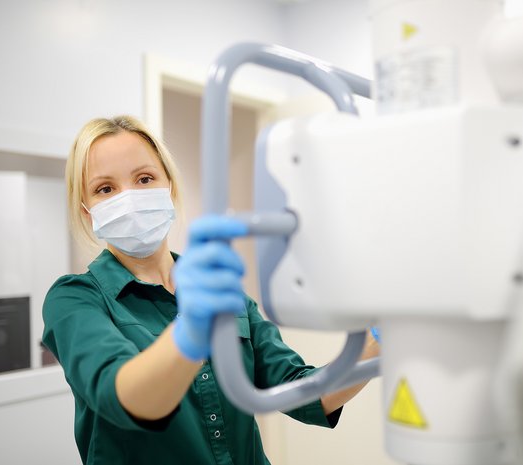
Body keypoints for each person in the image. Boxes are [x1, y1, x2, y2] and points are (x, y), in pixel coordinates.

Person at [42, 115, 380, 465]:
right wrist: (191, 330)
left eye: (144, 179)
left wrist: (377, 344)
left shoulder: (221, 292)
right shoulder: (75, 300)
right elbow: (127, 398)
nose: (129, 199)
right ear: (87, 209)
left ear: (169, 185)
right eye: (105, 189)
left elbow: (299, 391)